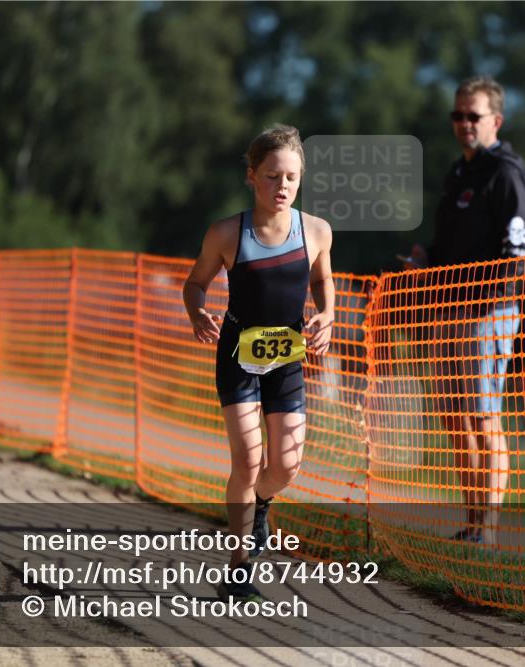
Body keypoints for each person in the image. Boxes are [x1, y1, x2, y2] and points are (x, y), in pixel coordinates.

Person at [183, 124, 334, 600]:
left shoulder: (316, 231)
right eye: (271, 176)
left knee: (286, 466)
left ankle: (261, 504)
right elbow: (195, 283)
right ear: (252, 176)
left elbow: (321, 281)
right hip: (238, 355)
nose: (282, 186)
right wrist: (197, 312)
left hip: (287, 357)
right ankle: (239, 567)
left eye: (291, 177)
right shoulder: (227, 233)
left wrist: (327, 314)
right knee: (247, 461)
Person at [402, 75, 525, 542]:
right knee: (454, 418)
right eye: (457, 115)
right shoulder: (458, 173)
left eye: (472, 116)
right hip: (448, 312)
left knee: (483, 416)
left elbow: (519, 250)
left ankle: (489, 531)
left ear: (496, 120)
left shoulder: (505, 173)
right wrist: (425, 261)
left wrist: (488, 302)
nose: (463, 123)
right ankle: (473, 522)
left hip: (487, 314)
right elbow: (448, 247)